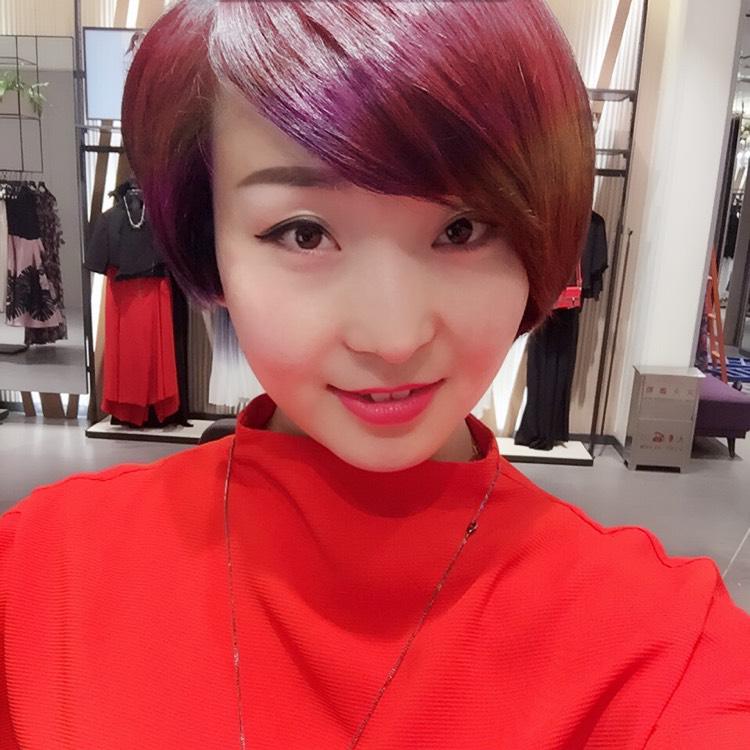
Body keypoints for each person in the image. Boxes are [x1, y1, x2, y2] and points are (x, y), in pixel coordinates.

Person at [1, 1, 748, 747]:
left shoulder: (662, 650)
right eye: (304, 233)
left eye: (461, 229)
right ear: (209, 240)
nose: (393, 338)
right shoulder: (40, 576)